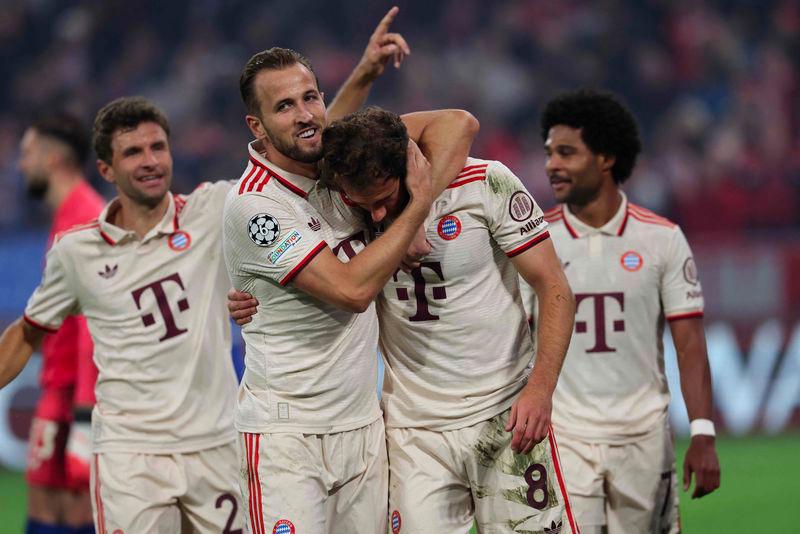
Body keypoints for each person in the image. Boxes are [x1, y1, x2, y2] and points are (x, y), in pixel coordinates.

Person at [229, 106, 579, 533]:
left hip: (505, 412)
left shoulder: (485, 183)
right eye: (365, 206)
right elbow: (305, 267)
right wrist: (248, 299)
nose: (376, 216)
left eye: (384, 201)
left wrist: (540, 390)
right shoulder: (346, 205)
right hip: (414, 431)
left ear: (411, 169)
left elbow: (555, 288)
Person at [224, 48, 478, 532]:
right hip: (288, 436)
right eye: (284, 106)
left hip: (363, 429)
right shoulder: (256, 206)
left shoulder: (338, 163)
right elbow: (352, 289)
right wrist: (417, 205)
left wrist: (364, 74)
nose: (304, 116)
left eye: (310, 98)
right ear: (256, 126)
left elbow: (458, 124)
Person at [526, 89, 721, 533]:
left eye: (566, 152)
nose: (551, 164)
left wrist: (704, 432)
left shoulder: (662, 238)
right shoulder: (534, 239)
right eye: (549, 152)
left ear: (606, 158)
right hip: (565, 435)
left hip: (644, 437)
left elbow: (689, 344)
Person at [18, 114, 105, 534]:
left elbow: (95, 324)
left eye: (27, 153)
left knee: (75, 511)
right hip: (61, 388)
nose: (21, 165)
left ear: (52, 159)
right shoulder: (68, 217)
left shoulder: (86, 220)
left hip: (77, 395)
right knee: (44, 505)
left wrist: (86, 415)